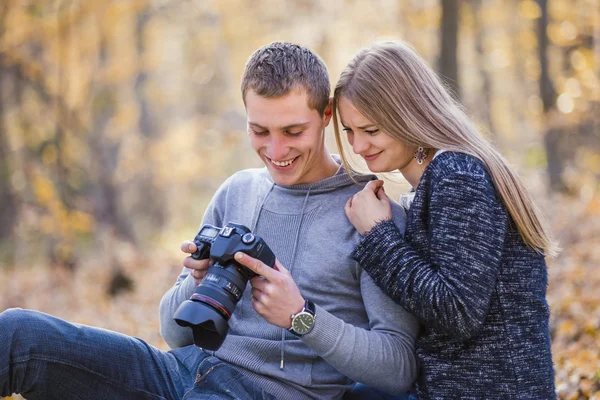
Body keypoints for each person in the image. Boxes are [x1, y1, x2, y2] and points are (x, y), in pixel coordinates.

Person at [0, 42, 418, 400]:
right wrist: (194, 284)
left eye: (293, 131)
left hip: (269, 392)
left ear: (326, 115)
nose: (276, 150)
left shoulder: (372, 214)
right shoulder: (236, 191)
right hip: (179, 372)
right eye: (260, 131)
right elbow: (176, 334)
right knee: (17, 334)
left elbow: (398, 367)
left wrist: (301, 316)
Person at [332, 40, 558, 399]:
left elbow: (457, 312)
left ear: (408, 114)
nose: (358, 147)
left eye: (371, 130)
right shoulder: (434, 181)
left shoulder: (457, 175)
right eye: (349, 131)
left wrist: (378, 234)